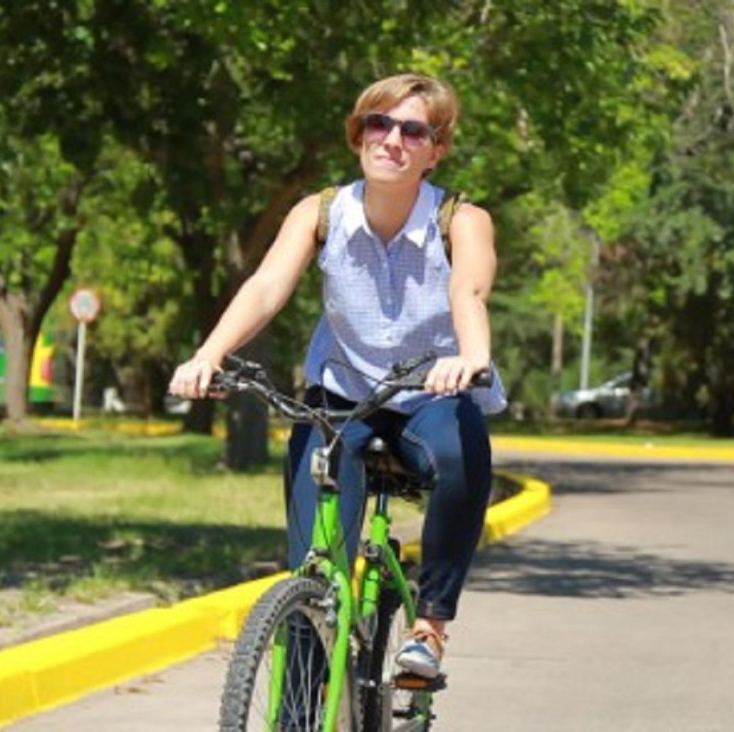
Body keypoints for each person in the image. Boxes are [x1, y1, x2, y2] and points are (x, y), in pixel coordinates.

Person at [167, 73, 506, 679]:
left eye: (413, 130)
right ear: (359, 135)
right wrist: (208, 354)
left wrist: (472, 358)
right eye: (379, 124)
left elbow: (469, 289)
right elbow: (267, 286)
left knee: (462, 450)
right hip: (342, 397)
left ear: (436, 149)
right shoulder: (321, 211)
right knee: (313, 574)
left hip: (433, 392)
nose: (392, 140)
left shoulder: (462, 219)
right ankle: (307, 687)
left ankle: (429, 626)